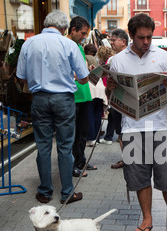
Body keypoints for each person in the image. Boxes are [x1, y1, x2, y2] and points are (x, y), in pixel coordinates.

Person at [106, 14, 167, 231]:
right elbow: (111, 97)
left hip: (160, 126)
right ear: (131, 35)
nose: (147, 42)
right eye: (141, 38)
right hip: (131, 128)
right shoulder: (118, 60)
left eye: (150, 37)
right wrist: (111, 88)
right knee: (138, 178)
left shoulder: (163, 56)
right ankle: (147, 217)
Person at [17, 10, 89, 204]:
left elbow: (21, 76)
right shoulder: (69, 44)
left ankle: (45, 191)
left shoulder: (29, 43)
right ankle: (66, 193)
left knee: (43, 146)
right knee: (65, 147)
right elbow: (83, 78)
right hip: (64, 99)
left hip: (39, 99)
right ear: (64, 28)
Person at [68, 16, 96, 177]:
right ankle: (74, 165)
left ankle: (81, 161)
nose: (85, 37)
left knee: (82, 133)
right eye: (83, 33)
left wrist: (88, 68)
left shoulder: (78, 46)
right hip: (74, 96)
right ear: (73, 30)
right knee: (75, 133)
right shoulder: (68, 46)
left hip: (84, 95)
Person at [101, 28, 129, 170]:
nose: (111, 43)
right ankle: (126, 158)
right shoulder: (112, 59)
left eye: (113, 40)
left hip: (128, 102)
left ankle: (129, 159)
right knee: (120, 132)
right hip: (116, 101)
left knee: (127, 132)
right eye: (110, 40)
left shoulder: (131, 57)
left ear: (123, 42)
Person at [85, 43, 107, 148]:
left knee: (89, 115)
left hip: (91, 90)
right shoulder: (98, 61)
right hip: (100, 90)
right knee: (97, 115)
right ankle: (97, 138)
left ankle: (91, 138)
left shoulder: (84, 58)